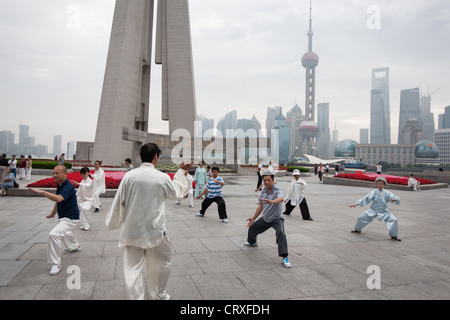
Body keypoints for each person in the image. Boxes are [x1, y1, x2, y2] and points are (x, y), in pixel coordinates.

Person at [105, 143, 193, 300]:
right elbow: (176, 194)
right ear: (156, 157)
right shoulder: (161, 177)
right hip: (155, 231)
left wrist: (113, 222)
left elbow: (119, 201)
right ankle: (158, 294)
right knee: (164, 261)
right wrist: (180, 172)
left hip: (132, 231)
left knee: (131, 270)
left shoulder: (129, 176)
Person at [28, 165, 81, 275]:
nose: (54, 175)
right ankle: (75, 246)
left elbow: (58, 198)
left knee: (54, 234)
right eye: (53, 173)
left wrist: (43, 192)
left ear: (65, 174)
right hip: (64, 217)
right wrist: (52, 214)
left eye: (57, 173)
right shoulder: (60, 185)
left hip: (71, 218)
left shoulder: (68, 186)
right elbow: (58, 202)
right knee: (65, 232)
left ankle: (56, 263)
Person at [245, 172, 291, 268]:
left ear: (273, 181)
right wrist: (253, 218)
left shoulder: (277, 190)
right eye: (265, 180)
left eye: (268, 180)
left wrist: (272, 202)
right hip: (266, 218)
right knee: (252, 228)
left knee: (281, 233)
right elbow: (261, 206)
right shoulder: (264, 191)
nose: (266, 182)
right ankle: (252, 242)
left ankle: (284, 257)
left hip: (277, 218)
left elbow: (281, 198)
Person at [350, 176, 401, 241]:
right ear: (376, 184)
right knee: (361, 217)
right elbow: (366, 198)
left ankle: (394, 236)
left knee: (393, 220)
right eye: (379, 184)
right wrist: (357, 203)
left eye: (382, 184)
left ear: (384, 185)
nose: (380, 185)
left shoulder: (387, 193)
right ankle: (357, 229)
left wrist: (396, 200)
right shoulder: (373, 192)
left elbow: (394, 197)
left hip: (384, 211)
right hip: (373, 210)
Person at [71, 167, 94, 231]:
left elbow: (87, 186)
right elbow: (79, 191)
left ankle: (86, 225)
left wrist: (78, 184)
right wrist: (74, 198)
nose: (83, 175)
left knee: (84, 209)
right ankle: (84, 224)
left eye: (84, 173)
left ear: (88, 173)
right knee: (81, 212)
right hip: (82, 200)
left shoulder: (90, 181)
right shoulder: (82, 181)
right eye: (82, 174)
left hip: (89, 200)